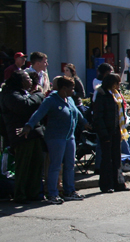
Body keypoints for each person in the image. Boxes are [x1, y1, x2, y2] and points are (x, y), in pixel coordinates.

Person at [20, 76, 87, 204]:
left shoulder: (69, 99)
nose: (73, 91)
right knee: (55, 165)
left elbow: (77, 112)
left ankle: (69, 191)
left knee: (69, 165)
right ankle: (52, 193)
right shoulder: (51, 100)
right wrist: (29, 126)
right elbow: (39, 114)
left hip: (69, 137)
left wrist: (85, 122)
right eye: (71, 88)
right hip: (55, 137)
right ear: (63, 88)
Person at [0, 70, 45, 203]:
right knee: (23, 167)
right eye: (27, 79)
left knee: (36, 165)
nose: (31, 81)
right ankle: (20, 195)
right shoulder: (10, 94)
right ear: (20, 81)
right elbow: (25, 106)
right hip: (21, 136)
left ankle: (33, 193)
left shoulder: (23, 93)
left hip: (33, 133)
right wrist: (38, 95)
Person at [92, 74, 129, 193]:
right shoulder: (102, 95)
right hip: (106, 131)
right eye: (117, 83)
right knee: (107, 159)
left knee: (116, 158)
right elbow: (98, 117)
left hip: (116, 129)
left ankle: (118, 183)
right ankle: (106, 185)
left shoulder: (116, 95)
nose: (119, 85)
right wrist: (103, 133)